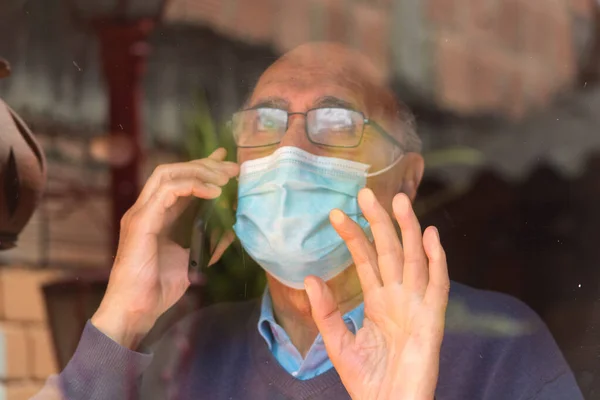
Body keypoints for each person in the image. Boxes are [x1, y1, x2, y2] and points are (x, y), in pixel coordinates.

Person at [33, 42, 582, 400]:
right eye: (265, 120)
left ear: (407, 181)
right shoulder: (190, 348)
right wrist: (120, 319)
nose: (290, 148)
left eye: (338, 121)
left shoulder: (503, 348)